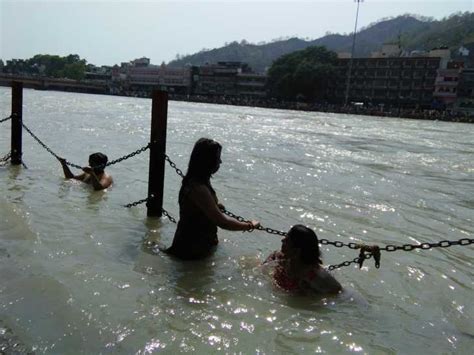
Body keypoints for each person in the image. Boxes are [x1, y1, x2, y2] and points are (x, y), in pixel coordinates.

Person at [166, 138, 260, 260]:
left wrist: (215, 205)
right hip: (190, 252)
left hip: (194, 247)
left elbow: (198, 208)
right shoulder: (198, 188)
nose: (220, 162)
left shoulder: (196, 181)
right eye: (217, 158)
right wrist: (249, 225)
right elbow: (222, 222)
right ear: (207, 161)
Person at [264, 224, 342, 294]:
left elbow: (339, 294)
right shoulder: (278, 258)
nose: (282, 240)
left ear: (296, 251)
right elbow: (260, 269)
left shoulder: (316, 276)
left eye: (287, 240)